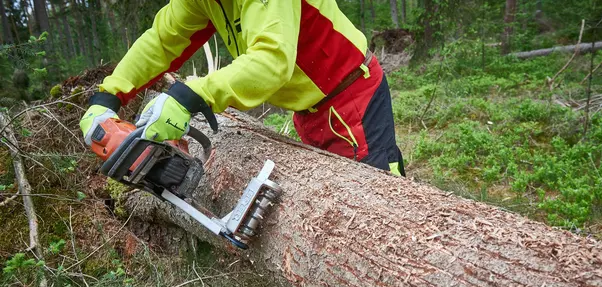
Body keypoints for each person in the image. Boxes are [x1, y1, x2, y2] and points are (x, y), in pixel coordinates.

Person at [80, 0, 405, 176]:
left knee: (386, 202)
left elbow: (271, 61)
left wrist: (190, 96)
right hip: (309, 112)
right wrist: (109, 95)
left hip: (352, 99)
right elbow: (161, 42)